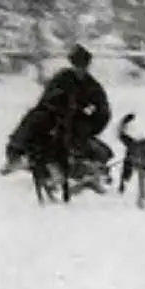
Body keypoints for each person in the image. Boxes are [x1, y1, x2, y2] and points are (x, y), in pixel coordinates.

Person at [34, 43, 113, 187]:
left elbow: (103, 109)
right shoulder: (60, 80)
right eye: (78, 65)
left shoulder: (91, 84)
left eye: (83, 66)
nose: (80, 70)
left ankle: (87, 172)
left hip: (78, 128)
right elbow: (45, 102)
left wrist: (91, 125)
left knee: (102, 153)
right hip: (55, 124)